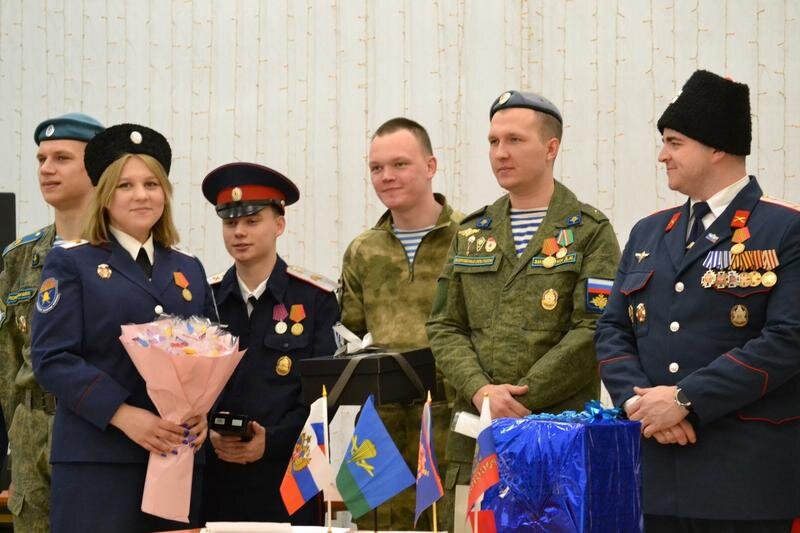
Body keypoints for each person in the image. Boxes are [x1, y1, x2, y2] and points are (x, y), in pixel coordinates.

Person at [595, 70, 800, 532]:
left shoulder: (785, 228)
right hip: (653, 475)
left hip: (743, 481)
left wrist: (685, 398)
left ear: (718, 147)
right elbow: (612, 329)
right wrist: (640, 405)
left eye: (675, 142)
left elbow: (788, 340)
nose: (661, 155)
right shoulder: (649, 231)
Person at [426, 90, 621, 528]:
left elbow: (595, 327)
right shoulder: (471, 233)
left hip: (556, 440)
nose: (500, 153)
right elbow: (444, 325)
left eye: (514, 140)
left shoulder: (589, 231)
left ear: (551, 148)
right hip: (477, 439)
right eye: (494, 141)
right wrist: (482, 391)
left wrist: (517, 398)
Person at [30, 123, 216, 533]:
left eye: (151, 184)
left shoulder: (189, 268)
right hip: (100, 465)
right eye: (126, 185)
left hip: (177, 459)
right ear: (105, 195)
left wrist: (203, 414)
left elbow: (210, 354)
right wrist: (123, 414)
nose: (141, 195)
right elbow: (51, 358)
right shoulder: (71, 262)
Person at [338, 117, 461, 530]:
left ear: (431, 166)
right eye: (376, 168)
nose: (386, 176)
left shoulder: (471, 239)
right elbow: (349, 336)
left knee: (448, 523)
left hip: (449, 424)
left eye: (400, 164)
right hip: (381, 432)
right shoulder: (362, 251)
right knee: (378, 526)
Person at [200, 162, 339, 524]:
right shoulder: (205, 299)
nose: (239, 232)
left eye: (252, 221)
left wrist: (272, 440)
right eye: (230, 223)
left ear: (279, 225)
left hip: (289, 475)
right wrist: (209, 430)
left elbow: (325, 396)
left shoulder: (316, 299)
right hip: (217, 476)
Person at [0, 112, 104, 532]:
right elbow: (8, 360)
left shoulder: (121, 254)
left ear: (97, 168)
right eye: (41, 159)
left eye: (62, 158)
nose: (46, 169)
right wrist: (20, 435)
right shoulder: (20, 257)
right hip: (31, 438)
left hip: (96, 432)